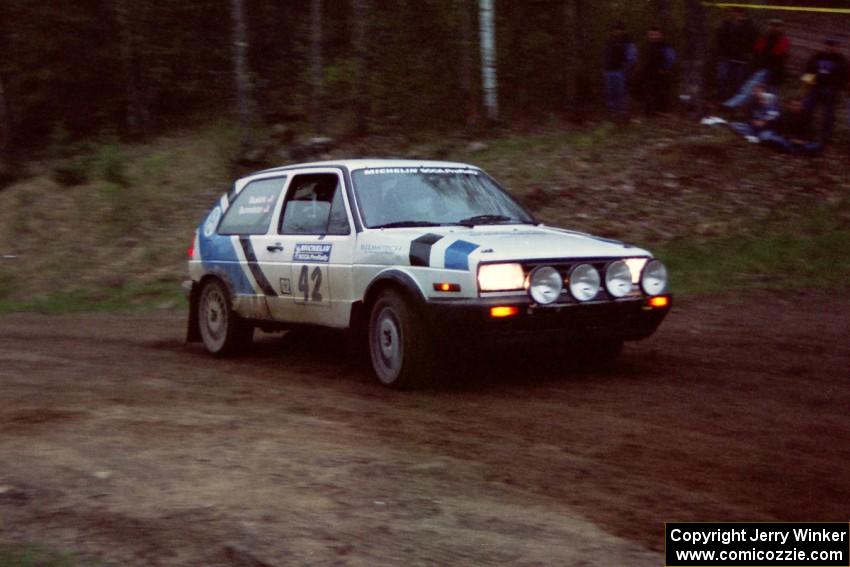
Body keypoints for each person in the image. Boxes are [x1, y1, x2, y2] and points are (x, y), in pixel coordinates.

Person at [723, 19, 789, 109]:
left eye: (777, 26)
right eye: (772, 25)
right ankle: (730, 105)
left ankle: (772, 113)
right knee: (748, 88)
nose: (774, 28)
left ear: (781, 27)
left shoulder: (783, 40)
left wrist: (766, 59)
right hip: (762, 69)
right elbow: (757, 51)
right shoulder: (764, 38)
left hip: (775, 71)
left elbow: (777, 55)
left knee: (772, 94)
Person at [802, 38, 849, 144]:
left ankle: (825, 135)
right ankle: (806, 131)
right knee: (808, 108)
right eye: (828, 45)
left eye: (833, 45)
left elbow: (845, 76)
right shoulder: (817, 56)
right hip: (816, 87)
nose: (830, 47)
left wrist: (837, 88)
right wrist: (807, 84)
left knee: (828, 114)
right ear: (824, 45)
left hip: (831, 90)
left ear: (837, 47)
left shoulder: (841, 60)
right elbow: (808, 70)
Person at [715, 7, 758, 101]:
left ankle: (734, 102)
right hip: (726, 57)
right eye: (735, 12)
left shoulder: (750, 26)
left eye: (739, 12)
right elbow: (719, 39)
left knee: (738, 81)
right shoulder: (726, 24)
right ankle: (721, 99)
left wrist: (748, 54)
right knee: (722, 78)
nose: (737, 14)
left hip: (741, 59)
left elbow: (754, 41)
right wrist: (721, 53)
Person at [603, 22, 638, 117]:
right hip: (609, 70)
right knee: (610, 92)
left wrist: (627, 68)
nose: (617, 32)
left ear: (623, 30)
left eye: (619, 29)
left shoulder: (628, 42)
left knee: (621, 93)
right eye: (615, 30)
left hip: (620, 71)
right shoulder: (609, 41)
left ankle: (622, 113)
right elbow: (605, 55)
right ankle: (611, 112)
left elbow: (632, 56)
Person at [640, 27, 676, 115]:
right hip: (649, 73)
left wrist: (665, 69)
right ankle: (649, 112)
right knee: (648, 92)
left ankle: (661, 111)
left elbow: (671, 58)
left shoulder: (665, 46)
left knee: (661, 92)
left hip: (661, 73)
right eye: (651, 35)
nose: (653, 37)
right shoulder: (647, 46)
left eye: (655, 35)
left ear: (660, 35)